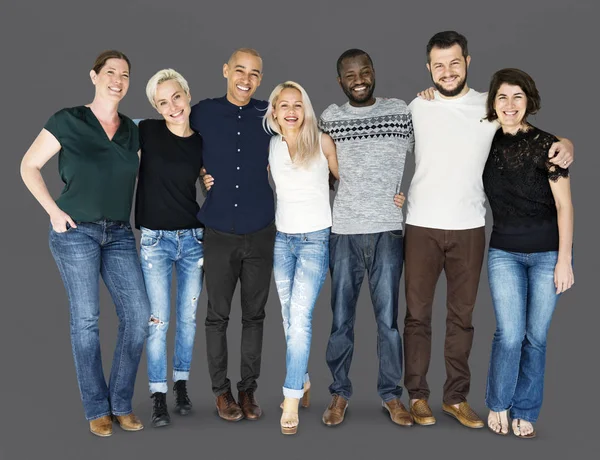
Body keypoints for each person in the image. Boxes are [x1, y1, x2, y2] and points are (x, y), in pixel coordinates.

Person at [404, 31, 574, 429]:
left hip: (470, 229)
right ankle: (416, 396)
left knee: (462, 318)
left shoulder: (489, 107)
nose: (447, 71)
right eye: (439, 65)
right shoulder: (416, 106)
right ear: (429, 69)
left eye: (454, 63)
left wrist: (568, 144)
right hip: (421, 225)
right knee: (417, 316)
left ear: (468, 62)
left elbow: (531, 132)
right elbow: (389, 148)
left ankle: (456, 398)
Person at [20, 50, 149, 437]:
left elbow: (163, 164)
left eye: (125, 74)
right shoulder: (68, 119)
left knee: (138, 317)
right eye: (110, 72)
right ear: (94, 76)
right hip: (75, 232)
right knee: (87, 320)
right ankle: (97, 407)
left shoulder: (133, 129)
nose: (118, 79)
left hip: (120, 234)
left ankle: (121, 403)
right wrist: (52, 211)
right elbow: (28, 165)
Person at [318, 49, 413, 427]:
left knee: (388, 321)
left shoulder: (400, 111)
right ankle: (339, 394)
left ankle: (392, 396)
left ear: (374, 73)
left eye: (365, 71)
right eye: (350, 74)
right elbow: (313, 162)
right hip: (343, 233)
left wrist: (410, 194)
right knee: (341, 320)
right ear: (340, 81)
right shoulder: (330, 118)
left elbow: (435, 155)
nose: (359, 79)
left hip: (388, 229)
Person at [482, 68, 574, 438]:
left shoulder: (549, 145)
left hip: (547, 255)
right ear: (493, 102)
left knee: (535, 335)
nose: (509, 105)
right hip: (503, 251)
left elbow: (565, 207)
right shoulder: (482, 142)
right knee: (509, 333)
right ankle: (498, 403)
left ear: (528, 101)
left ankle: (525, 409)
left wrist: (565, 259)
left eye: (517, 97)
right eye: (502, 97)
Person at [189, 48, 275, 422]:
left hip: (260, 230)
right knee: (217, 317)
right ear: (225, 70)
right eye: (239, 70)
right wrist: (198, 174)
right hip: (219, 230)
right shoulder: (202, 112)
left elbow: (302, 138)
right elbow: (175, 142)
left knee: (255, 316)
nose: (246, 78)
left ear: (261, 78)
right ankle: (222, 393)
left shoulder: (268, 113)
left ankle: (248, 390)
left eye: (254, 73)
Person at [264, 81, 338, 435]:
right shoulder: (273, 147)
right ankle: (304, 380)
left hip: (315, 241)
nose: (291, 111)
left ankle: (291, 396)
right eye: (284, 105)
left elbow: (349, 181)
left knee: (300, 317)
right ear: (275, 112)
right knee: (287, 317)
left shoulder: (322, 142)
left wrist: (393, 197)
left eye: (298, 104)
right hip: (282, 241)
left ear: (305, 109)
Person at [135, 69, 204, 428]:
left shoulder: (201, 141)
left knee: (187, 320)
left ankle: (181, 384)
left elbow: (213, 186)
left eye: (176, 97)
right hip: (155, 242)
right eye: (162, 102)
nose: (171, 106)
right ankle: (158, 395)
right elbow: (105, 129)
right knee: (158, 321)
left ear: (187, 94)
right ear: (155, 107)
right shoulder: (145, 130)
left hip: (193, 240)